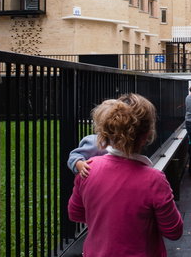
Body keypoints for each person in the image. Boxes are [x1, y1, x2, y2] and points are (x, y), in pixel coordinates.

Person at [67, 94, 183, 257]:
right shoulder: (154, 180)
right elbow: (174, 231)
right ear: (147, 135)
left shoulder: (88, 168)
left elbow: (76, 214)